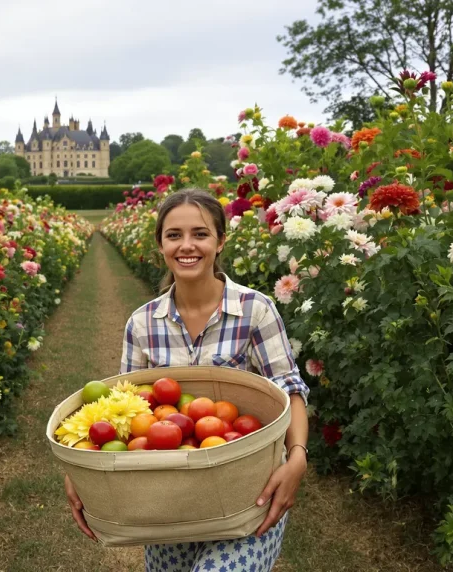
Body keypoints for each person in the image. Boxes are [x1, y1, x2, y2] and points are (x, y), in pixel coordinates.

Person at [64, 188, 310, 571]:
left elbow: (290, 390)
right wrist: (82, 471)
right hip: (168, 500)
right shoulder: (142, 323)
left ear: (220, 240)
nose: (187, 246)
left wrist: (297, 459)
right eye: (174, 235)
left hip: (246, 491)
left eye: (200, 233)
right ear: (160, 243)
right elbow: (123, 415)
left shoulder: (255, 311)